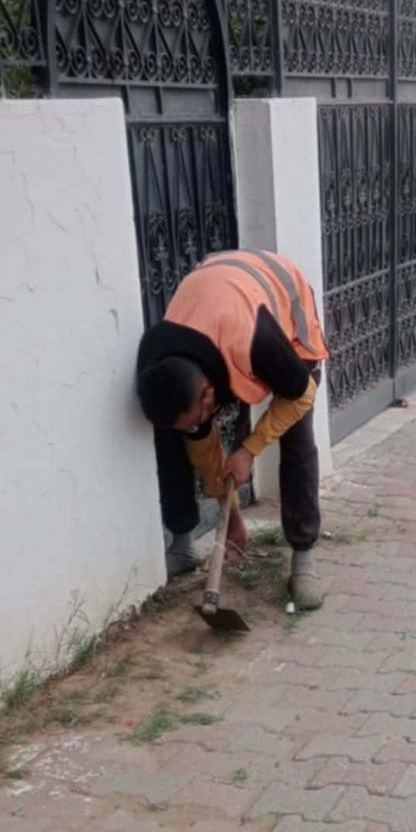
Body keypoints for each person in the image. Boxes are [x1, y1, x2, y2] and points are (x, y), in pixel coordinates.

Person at [136, 249, 331, 611]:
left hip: (283, 312)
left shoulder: (256, 340)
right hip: (218, 310)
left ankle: (304, 557)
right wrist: (234, 517)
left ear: (208, 393)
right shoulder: (157, 360)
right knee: (172, 436)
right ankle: (182, 543)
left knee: (296, 434)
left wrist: (248, 450)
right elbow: (202, 445)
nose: (196, 425)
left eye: (197, 416)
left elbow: (301, 394)